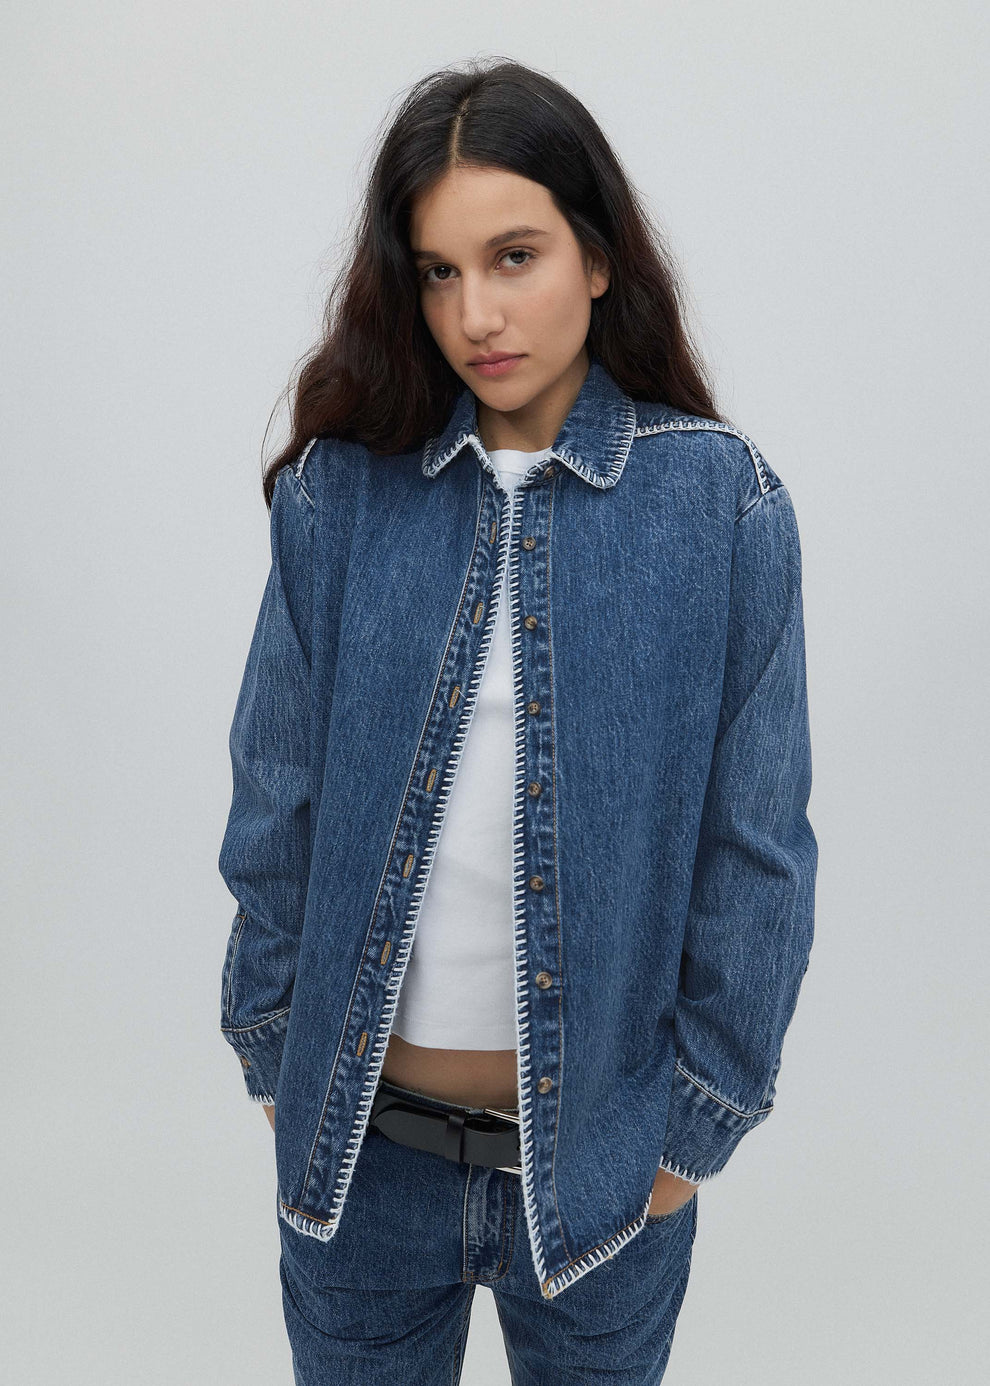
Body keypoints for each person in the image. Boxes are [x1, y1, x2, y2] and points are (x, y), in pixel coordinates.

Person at [217, 57, 818, 1384]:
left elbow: (758, 850)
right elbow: (275, 803)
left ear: (596, 259)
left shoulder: (720, 508)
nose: (476, 311)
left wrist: (683, 1145)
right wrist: (273, 1052)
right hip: (359, 1166)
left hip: (604, 1180)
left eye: (513, 254)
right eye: (437, 271)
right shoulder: (340, 500)